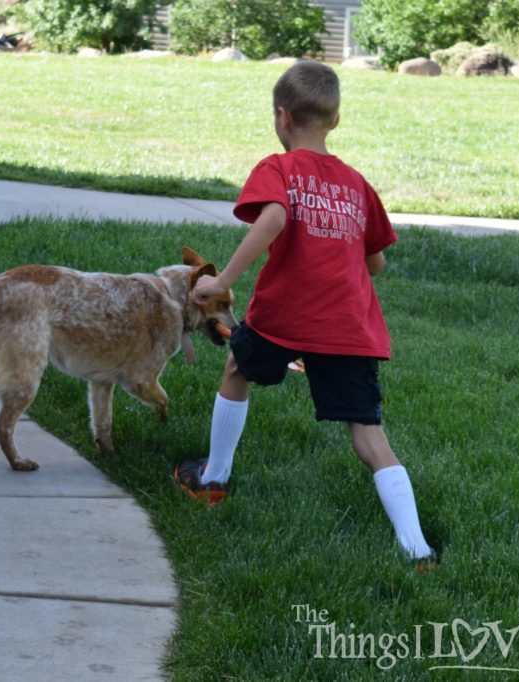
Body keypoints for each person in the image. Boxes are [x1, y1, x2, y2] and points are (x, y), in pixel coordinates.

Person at [175, 60, 437, 568]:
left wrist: (223, 281)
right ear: (334, 121)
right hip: (348, 324)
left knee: (237, 370)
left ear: (281, 117)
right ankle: (418, 548)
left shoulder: (277, 168)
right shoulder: (357, 184)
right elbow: (376, 262)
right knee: (368, 433)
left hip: (286, 315)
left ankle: (212, 480)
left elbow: (273, 216)